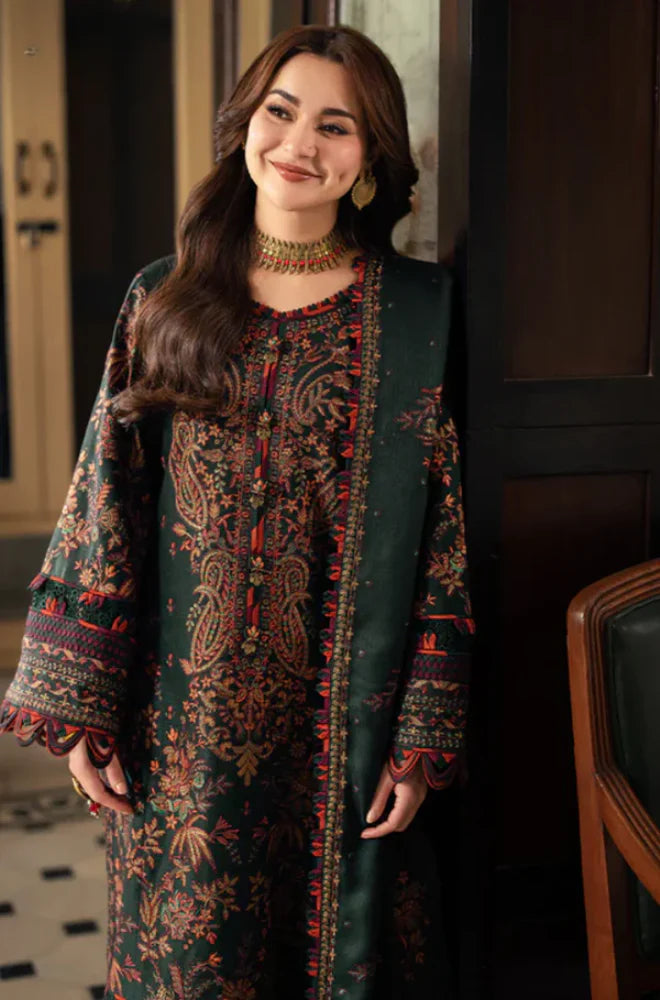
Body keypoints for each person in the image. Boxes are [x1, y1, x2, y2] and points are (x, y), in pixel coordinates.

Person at [0, 24, 473, 1000]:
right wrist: (87, 708)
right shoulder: (166, 301)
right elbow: (105, 508)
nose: (300, 143)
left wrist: (420, 736)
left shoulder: (416, 317)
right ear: (244, 127)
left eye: (336, 126)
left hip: (345, 726)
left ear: (372, 161)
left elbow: (442, 542)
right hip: (180, 728)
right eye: (280, 112)